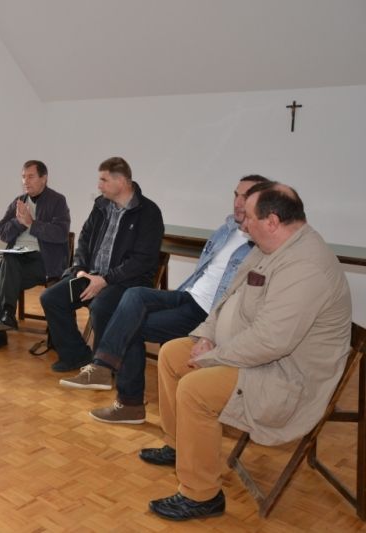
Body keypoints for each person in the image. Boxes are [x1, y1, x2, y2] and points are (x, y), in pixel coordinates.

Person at [143, 182, 351, 521]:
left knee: (195, 389)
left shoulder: (306, 266)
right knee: (172, 354)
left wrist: (210, 357)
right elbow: (226, 299)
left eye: (249, 217)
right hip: (247, 356)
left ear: (272, 221)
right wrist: (207, 336)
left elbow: (272, 341)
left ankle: (201, 495)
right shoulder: (268, 247)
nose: (242, 222)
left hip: (284, 377)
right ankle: (180, 445)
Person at [62, 175, 269, 424]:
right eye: (236, 195)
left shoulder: (260, 244)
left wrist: (211, 333)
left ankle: (128, 402)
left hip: (207, 312)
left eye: (245, 197)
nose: (237, 202)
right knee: (134, 295)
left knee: (130, 324)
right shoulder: (226, 229)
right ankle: (103, 369)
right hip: (188, 295)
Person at [40, 157, 164, 372]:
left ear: (121, 181)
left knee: (101, 307)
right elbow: (85, 238)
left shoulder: (149, 212)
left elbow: (142, 261)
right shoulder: (101, 205)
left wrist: (105, 280)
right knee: (51, 298)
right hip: (92, 275)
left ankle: (103, 367)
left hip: (126, 281)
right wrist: (80, 269)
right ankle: (76, 355)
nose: (99, 185)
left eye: (104, 180)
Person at [0, 160, 70, 353]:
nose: (26, 181)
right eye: (23, 177)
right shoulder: (18, 201)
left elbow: (61, 234)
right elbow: (2, 233)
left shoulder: (57, 201)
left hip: (44, 263)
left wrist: (31, 224)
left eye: (31, 176)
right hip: (18, 260)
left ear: (44, 178)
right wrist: (18, 223)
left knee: (4, 274)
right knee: (8, 261)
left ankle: (0, 329)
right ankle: (7, 314)